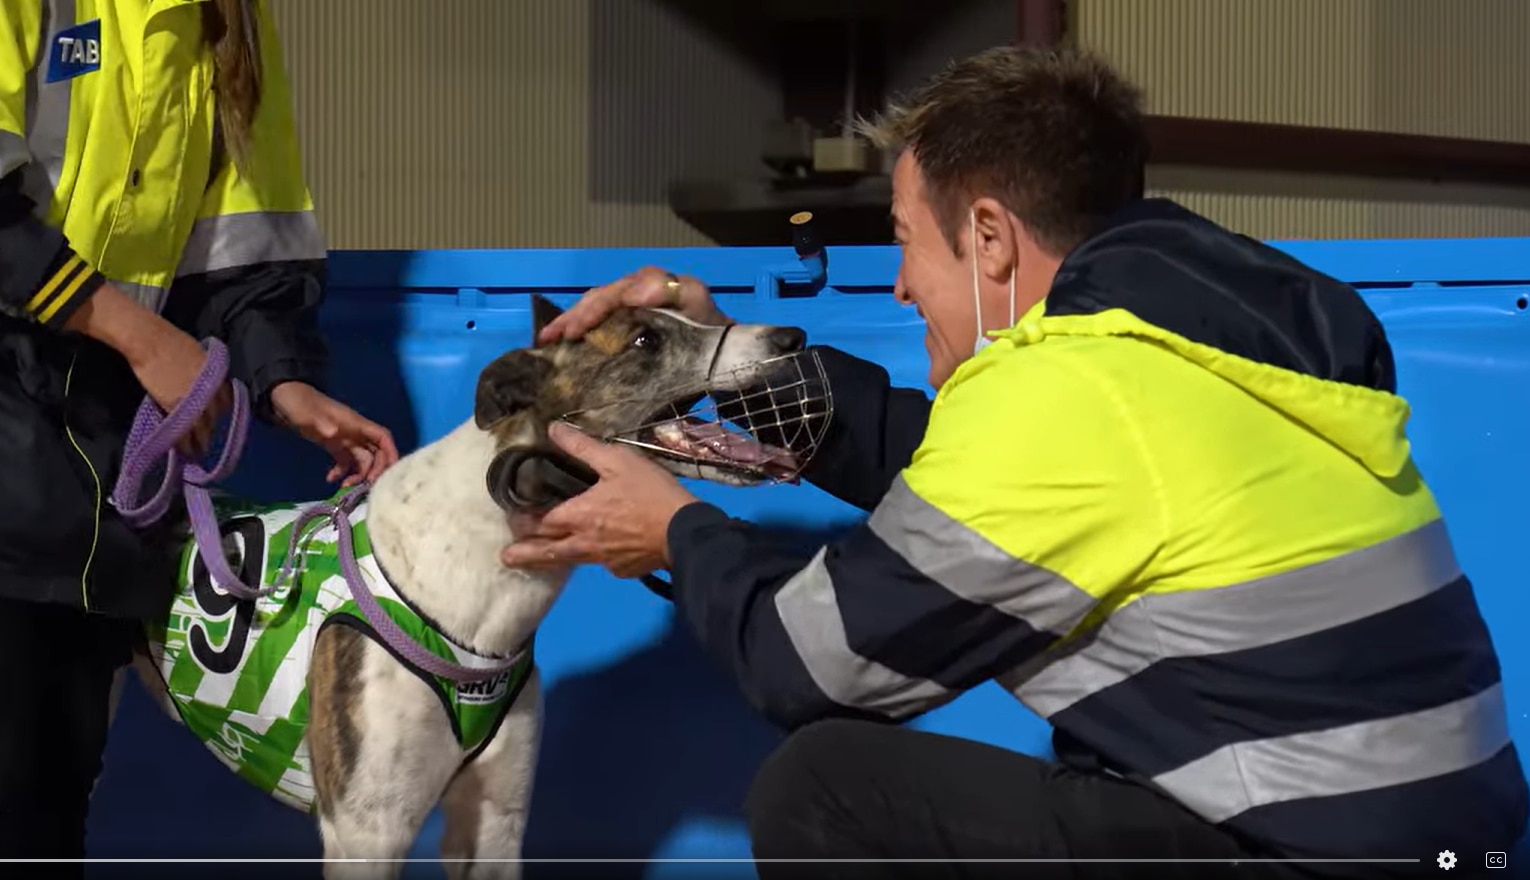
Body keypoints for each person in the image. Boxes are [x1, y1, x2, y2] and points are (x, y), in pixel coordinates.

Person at [501, 46, 1528, 877]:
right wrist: (721, 359)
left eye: (907, 241)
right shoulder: (1187, 343)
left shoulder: (1061, 394)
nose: (902, 288)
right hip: (1445, 844)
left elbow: (810, 662)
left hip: (1316, 856)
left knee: (828, 790)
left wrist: (673, 528)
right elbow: (951, 471)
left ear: (989, 237)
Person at [0, 0, 399, 864]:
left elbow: (242, 246)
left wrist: (284, 381)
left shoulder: (224, 20)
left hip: (93, 463)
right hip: (26, 405)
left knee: (45, 796)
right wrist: (140, 335)